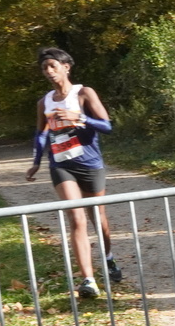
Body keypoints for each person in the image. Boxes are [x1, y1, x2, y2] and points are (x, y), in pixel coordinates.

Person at [24, 48, 123, 299]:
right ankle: (88, 280)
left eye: (53, 66)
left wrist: (78, 117)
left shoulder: (84, 93)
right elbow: (41, 134)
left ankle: (108, 257)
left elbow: (107, 126)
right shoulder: (44, 102)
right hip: (60, 164)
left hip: (89, 163)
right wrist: (36, 161)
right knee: (76, 218)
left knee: (97, 216)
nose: (49, 71)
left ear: (66, 67)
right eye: (44, 68)